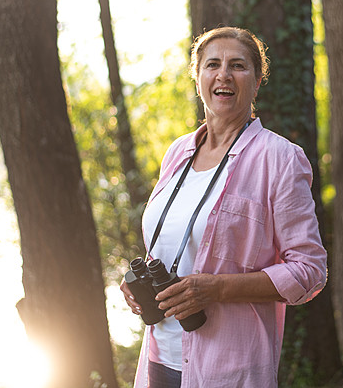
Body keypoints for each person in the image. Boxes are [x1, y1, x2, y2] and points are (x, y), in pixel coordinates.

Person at [120, 26, 327, 388]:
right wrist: (138, 280)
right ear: (197, 77)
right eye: (212, 64)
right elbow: (174, 244)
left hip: (229, 369)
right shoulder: (177, 153)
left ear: (258, 80)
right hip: (159, 358)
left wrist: (216, 289)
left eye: (238, 65)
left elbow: (309, 271)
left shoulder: (280, 159)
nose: (223, 74)